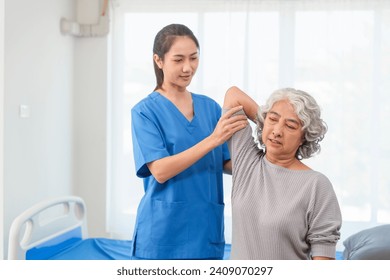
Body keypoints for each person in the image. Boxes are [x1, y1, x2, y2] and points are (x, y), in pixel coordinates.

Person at [130, 24, 248, 259]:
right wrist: (214, 139)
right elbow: (160, 171)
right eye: (178, 60)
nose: (188, 67)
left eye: (194, 58)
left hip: (205, 230)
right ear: (159, 60)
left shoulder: (210, 107)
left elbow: (225, 162)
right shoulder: (145, 112)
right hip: (164, 233)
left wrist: (271, 161)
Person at [223, 86, 342, 260]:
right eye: (273, 119)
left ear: (304, 136)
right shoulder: (247, 162)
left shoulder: (316, 185)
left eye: (291, 126)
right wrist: (267, 124)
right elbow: (233, 96)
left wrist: (272, 122)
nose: (278, 131)